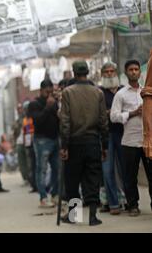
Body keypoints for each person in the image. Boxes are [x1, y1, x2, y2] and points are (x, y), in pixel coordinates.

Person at [60, 61, 108, 226]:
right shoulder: (98, 92)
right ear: (87, 72)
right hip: (93, 142)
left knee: (73, 180)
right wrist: (105, 145)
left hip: (74, 142)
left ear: (74, 73)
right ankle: (93, 217)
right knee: (93, 178)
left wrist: (64, 146)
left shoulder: (67, 92)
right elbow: (103, 121)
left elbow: (65, 122)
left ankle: (74, 216)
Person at [111, 60, 152, 217]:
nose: (134, 71)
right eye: (131, 69)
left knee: (151, 175)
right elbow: (114, 116)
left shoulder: (147, 92)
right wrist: (132, 113)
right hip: (129, 141)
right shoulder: (120, 94)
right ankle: (133, 205)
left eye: (136, 69)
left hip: (147, 141)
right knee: (130, 176)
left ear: (140, 73)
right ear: (126, 72)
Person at [99, 62, 126, 215]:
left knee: (125, 169)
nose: (109, 74)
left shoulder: (124, 90)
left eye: (112, 71)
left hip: (123, 133)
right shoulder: (98, 92)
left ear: (116, 72)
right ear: (102, 74)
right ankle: (113, 203)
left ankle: (128, 201)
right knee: (107, 170)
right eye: (106, 71)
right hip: (105, 134)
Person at [28, 79, 60, 208]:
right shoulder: (34, 104)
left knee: (57, 169)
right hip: (42, 140)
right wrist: (48, 106)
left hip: (55, 139)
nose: (49, 94)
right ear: (41, 91)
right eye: (47, 92)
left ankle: (55, 195)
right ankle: (43, 197)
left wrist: (58, 103)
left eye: (51, 92)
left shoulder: (54, 103)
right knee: (41, 169)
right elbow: (38, 120)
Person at [13, 103, 29, 186]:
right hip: (19, 142)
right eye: (18, 109)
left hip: (26, 142)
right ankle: (25, 178)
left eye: (20, 108)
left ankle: (30, 179)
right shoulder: (17, 120)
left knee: (28, 161)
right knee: (21, 162)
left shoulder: (27, 118)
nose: (19, 110)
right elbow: (14, 133)